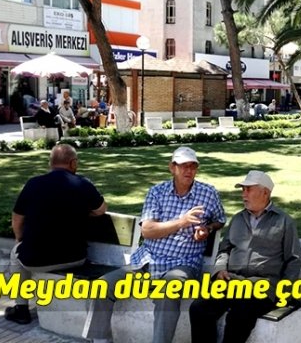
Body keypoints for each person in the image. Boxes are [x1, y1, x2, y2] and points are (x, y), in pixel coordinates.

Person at [83, 146, 226, 343]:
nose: (189, 170)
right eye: (183, 166)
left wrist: (207, 229)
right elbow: (148, 230)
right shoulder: (157, 193)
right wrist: (181, 222)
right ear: (172, 168)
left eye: (193, 166)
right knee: (102, 286)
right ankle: (101, 340)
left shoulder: (208, 193)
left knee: (168, 292)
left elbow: (220, 220)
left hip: (183, 264)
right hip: (147, 260)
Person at [189, 170, 301, 343]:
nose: (244, 194)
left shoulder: (284, 221)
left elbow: (293, 260)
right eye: (243, 189)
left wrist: (284, 292)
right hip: (231, 281)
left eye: (248, 189)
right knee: (199, 308)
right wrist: (219, 270)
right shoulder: (238, 219)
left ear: (265, 193)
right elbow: (224, 250)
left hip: (262, 287)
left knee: (240, 313)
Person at [4, 144, 107, 324]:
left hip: (35, 260)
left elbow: (17, 219)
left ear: (50, 163)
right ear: (73, 163)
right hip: (76, 257)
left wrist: (20, 240)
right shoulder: (83, 184)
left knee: (16, 255)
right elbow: (101, 210)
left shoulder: (33, 184)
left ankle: (21, 309)